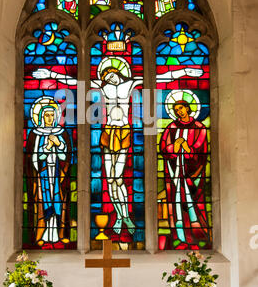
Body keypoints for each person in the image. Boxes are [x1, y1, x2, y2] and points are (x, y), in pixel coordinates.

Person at [32, 62, 203, 236]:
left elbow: (160, 78)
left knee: (118, 177)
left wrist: (184, 71)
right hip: (109, 133)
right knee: (111, 179)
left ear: (117, 73)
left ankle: (125, 215)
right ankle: (121, 216)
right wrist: (51, 74)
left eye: (110, 74)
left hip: (123, 133)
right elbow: (74, 82)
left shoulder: (129, 84)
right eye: (104, 76)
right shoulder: (101, 86)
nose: (107, 78)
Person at [159, 98, 209, 247]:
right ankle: (179, 235)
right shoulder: (171, 127)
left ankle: (198, 233)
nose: (179, 112)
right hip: (175, 172)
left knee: (193, 201)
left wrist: (186, 148)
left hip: (193, 173)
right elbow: (164, 148)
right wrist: (175, 146)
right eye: (176, 110)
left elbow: (201, 151)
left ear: (188, 108)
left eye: (181, 108)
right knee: (177, 202)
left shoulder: (199, 127)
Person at [25, 99, 71, 247]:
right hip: (42, 175)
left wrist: (58, 144)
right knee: (43, 203)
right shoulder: (35, 134)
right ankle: (42, 233)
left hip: (58, 175)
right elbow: (32, 158)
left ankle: (59, 233)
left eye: (52, 115)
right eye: (47, 115)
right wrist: (47, 147)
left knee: (58, 203)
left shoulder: (61, 133)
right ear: (41, 117)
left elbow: (67, 157)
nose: (50, 118)